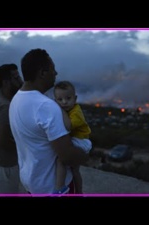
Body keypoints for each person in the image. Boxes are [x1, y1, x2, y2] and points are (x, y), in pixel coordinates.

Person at [9, 48, 89, 195]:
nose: (56, 73)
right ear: (42, 73)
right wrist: (86, 154)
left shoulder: (16, 99)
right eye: (53, 69)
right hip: (53, 187)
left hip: (32, 183)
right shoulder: (46, 106)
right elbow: (67, 156)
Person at [0, 63, 23, 195]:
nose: (21, 81)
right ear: (6, 82)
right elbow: (2, 140)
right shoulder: (4, 106)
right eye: (17, 78)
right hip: (5, 164)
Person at [53, 81, 92, 194]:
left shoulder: (76, 112)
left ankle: (60, 187)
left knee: (61, 159)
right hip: (77, 139)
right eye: (60, 100)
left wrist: (59, 109)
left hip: (82, 141)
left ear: (75, 99)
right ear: (56, 101)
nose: (64, 102)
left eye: (68, 98)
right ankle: (79, 192)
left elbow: (68, 126)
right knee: (75, 170)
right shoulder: (68, 110)